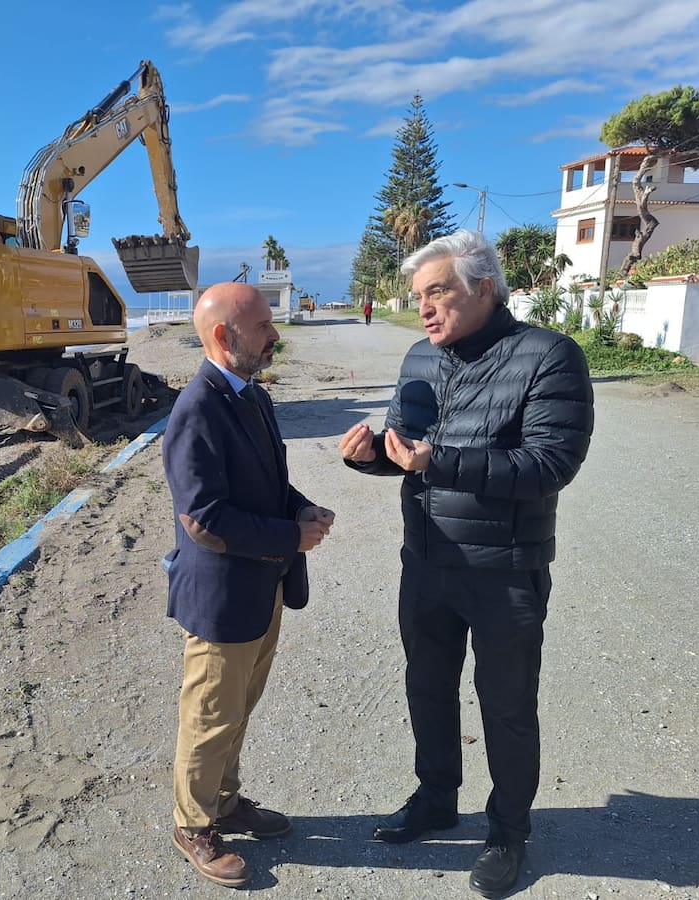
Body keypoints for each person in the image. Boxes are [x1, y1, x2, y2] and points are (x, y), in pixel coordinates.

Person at [339, 230, 593, 898]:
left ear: (484, 287)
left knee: (506, 706)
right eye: (419, 295)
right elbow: (406, 451)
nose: (425, 308)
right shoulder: (420, 357)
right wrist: (367, 456)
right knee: (427, 687)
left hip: (506, 569)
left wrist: (440, 462)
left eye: (438, 292)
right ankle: (435, 797)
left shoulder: (550, 356)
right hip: (426, 560)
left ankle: (508, 831)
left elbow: (549, 465)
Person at [163, 281, 335, 887]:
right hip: (222, 597)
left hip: (261, 588)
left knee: (237, 708)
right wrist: (289, 537)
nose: (275, 335)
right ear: (222, 336)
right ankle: (192, 824)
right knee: (209, 713)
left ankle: (224, 800)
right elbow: (204, 519)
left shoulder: (251, 396)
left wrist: (302, 509)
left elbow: (267, 483)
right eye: (263, 326)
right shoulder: (197, 409)